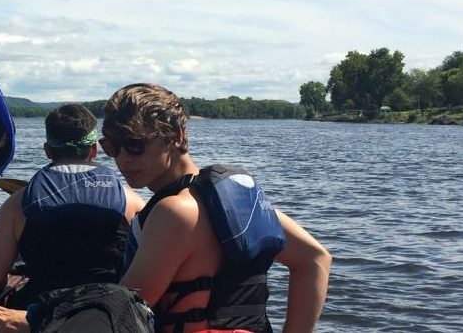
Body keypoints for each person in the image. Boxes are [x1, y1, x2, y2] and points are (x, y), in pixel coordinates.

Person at [105, 83, 331, 333]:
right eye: (112, 147)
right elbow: (315, 260)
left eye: (135, 144)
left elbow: (122, 314)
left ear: (177, 136)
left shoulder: (175, 211)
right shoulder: (237, 201)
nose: (123, 158)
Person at [0, 104, 146, 330]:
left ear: (47, 150)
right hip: (107, 312)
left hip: (38, 311)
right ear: (94, 150)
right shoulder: (132, 202)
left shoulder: (16, 205)